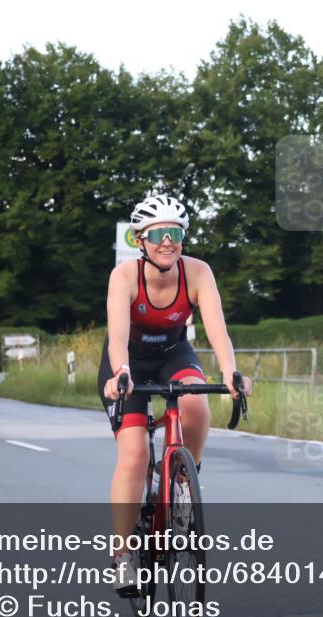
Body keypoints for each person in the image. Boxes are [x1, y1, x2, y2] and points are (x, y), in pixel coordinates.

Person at [99, 194, 252, 596]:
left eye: (177, 233)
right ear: (140, 240)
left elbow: (217, 329)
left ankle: (183, 481)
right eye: (159, 234)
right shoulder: (125, 276)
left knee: (196, 406)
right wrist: (121, 373)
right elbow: (116, 335)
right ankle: (123, 555)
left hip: (172, 353)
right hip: (128, 362)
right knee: (133, 453)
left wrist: (231, 373)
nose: (169, 242)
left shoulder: (198, 272)